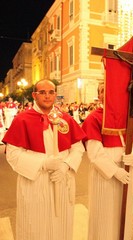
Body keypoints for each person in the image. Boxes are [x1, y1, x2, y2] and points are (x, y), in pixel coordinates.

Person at [2, 79, 86, 240]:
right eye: (42, 92)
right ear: (34, 95)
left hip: (61, 179)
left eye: (51, 92)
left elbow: (78, 148)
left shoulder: (65, 119)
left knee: (61, 224)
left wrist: (66, 166)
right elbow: (13, 154)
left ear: (55, 94)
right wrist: (43, 163)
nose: (47, 96)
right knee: (35, 227)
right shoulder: (22, 119)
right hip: (35, 183)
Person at [82, 83, 133, 240]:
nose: (106, 93)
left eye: (109, 89)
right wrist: (115, 171)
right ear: (99, 96)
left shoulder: (127, 117)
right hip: (105, 175)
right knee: (104, 214)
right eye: (102, 91)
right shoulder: (93, 118)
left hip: (126, 170)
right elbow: (94, 152)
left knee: (124, 212)